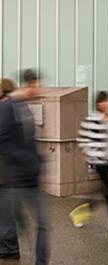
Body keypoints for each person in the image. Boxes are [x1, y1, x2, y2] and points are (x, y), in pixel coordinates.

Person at [0, 70, 49, 265]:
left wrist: (36, 160)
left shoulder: (19, 108)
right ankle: (9, 248)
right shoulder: (10, 108)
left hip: (21, 177)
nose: (38, 89)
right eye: (35, 85)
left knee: (35, 222)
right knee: (14, 218)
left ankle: (15, 250)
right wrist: (30, 159)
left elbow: (25, 141)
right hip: (12, 176)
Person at [69, 91, 108, 238]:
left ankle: (80, 212)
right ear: (98, 103)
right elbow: (82, 139)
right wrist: (93, 154)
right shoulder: (92, 120)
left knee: (104, 191)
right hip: (99, 161)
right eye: (105, 101)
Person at [0, 78, 20, 260]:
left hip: (4, 169)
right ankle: (7, 245)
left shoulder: (5, 108)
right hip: (9, 168)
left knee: (5, 210)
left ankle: (9, 247)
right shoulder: (13, 107)